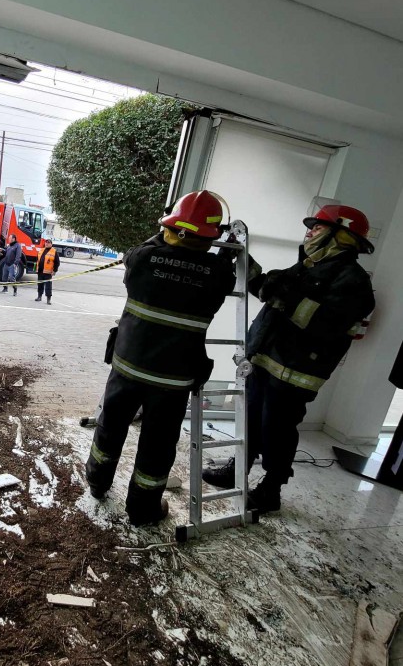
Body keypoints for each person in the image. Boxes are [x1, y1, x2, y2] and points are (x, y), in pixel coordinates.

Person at [202, 203, 376, 514]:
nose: (309, 231)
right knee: (251, 418)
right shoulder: (308, 267)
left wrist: (287, 295)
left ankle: (271, 488)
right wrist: (239, 254)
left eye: (318, 227)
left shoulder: (354, 282)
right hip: (265, 359)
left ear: (343, 237)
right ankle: (236, 469)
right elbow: (268, 291)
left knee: (277, 429)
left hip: (296, 371)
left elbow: (324, 324)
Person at [85, 191, 236, 526]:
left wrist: (165, 231)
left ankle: (97, 482)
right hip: (173, 379)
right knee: (157, 446)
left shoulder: (143, 259)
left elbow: (140, 251)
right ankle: (142, 510)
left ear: (170, 228)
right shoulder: (219, 274)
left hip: (127, 368)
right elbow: (225, 270)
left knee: (110, 428)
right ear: (210, 236)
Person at [34, 236, 60, 304]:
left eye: (48, 243)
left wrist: (54, 270)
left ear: (51, 244)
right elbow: (37, 260)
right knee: (40, 285)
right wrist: (36, 268)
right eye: (46, 242)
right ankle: (39, 296)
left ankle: (48, 299)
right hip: (40, 271)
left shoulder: (54, 251)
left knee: (48, 286)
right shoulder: (41, 250)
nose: (47, 244)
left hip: (48, 273)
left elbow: (57, 262)